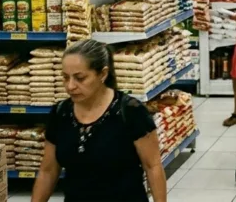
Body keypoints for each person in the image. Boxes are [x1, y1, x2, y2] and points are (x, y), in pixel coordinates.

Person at [32, 39, 166, 202]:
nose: (70, 86)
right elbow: (48, 171)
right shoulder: (61, 113)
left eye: (80, 78)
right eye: (65, 78)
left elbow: (153, 167)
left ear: (103, 74)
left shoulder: (130, 112)